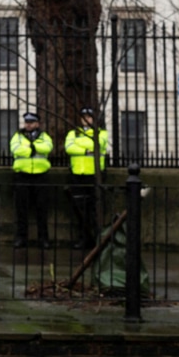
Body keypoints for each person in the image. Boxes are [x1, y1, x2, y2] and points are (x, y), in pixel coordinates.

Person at [65, 107, 109, 251]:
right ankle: (83, 239)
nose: (86, 119)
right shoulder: (73, 133)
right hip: (78, 174)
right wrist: (85, 150)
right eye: (84, 117)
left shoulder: (101, 133)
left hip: (95, 176)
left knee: (95, 209)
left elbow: (97, 144)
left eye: (89, 117)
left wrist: (80, 144)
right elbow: (68, 148)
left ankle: (97, 239)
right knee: (80, 209)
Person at [8, 110, 53, 249]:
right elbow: (15, 149)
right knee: (22, 209)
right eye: (27, 122)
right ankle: (21, 238)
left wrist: (31, 146)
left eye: (31, 122)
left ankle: (43, 239)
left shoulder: (44, 136)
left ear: (37, 123)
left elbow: (48, 148)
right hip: (22, 174)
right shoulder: (18, 135)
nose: (28, 125)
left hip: (40, 175)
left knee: (42, 209)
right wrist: (33, 151)